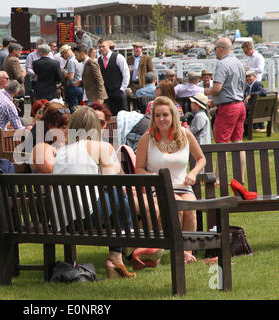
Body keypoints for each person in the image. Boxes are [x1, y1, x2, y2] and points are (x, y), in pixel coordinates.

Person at [52, 107, 136, 279]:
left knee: (116, 199)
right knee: (120, 197)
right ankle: (121, 249)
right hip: (87, 220)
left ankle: (118, 255)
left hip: (63, 221)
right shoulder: (101, 147)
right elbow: (112, 181)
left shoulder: (62, 150)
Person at [135, 96, 206, 264]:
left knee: (190, 208)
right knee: (178, 207)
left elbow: (201, 158)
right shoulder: (147, 138)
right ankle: (177, 249)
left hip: (183, 186)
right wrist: (152, 178)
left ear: (173, 115)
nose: (161, 119)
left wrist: (193, 173)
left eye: (165, 115)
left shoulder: (185, 134)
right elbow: (138, 168)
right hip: (159, 187)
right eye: (157, 115)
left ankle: (187, 250)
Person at [204, 37, 246, 182]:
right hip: (240, 106)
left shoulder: (222, 64)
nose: (214, 52)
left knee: (222, 144)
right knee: (238, 142)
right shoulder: (238, 63)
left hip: (228, 108)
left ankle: (219, 179)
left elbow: (217, 88)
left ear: (221, 49)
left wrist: (204, 92)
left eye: (215, 49)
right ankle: (240, 178)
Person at [30, 102, 70, 174]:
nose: (67, 131)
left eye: (69, 127)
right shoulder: (41, 148)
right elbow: (53, 173)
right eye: (64, 127)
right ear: (51, 127)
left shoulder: (61, 146)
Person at [0, 80, 24, 147]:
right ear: (17, 92)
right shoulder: (9, 105)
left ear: (5, 86)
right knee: (25, 137)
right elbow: (18, 128)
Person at [97, 38, 130, 115]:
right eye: (99, 47)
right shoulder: (98, 60)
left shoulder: (118, 57)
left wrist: (122, 89)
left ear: (108, 46)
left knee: (122, 115)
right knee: (108, 116)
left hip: (118, 92)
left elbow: (126, 73)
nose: (101, 49)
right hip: (106, 94)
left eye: (103, 46)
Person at [2, 43, 26, 117]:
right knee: (19, 115)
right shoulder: (14, 61)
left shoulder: (7, 59)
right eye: (20, 50)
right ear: (15, 51)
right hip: (17, 92)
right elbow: (19, 78)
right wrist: (24, 73)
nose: (21, 52)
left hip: (10, 90)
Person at [60, 44, 84, 111]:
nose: (63, 57)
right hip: (80, 87)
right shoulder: (79, 58)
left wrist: (64, 73)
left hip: (73, 88)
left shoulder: (71, 61)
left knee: (74, 110)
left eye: (63, 55)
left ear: (66, 52)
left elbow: (71, 77)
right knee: (80, 109)